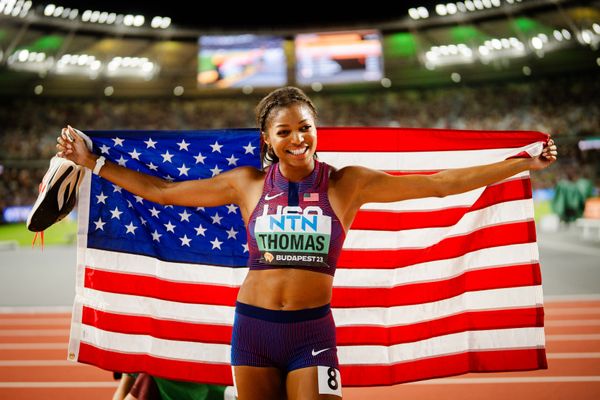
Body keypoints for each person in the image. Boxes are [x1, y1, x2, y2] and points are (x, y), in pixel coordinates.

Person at [56, 86, 558, 400]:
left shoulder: (348, 183)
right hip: (251, 330)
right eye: (286, 131)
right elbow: (164, 192)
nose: (299, 138)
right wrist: (93, 163)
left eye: (305, 127)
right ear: (267, 139)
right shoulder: (246, 183)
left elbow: (439, 184)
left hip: (310, 333)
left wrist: (518, 164)